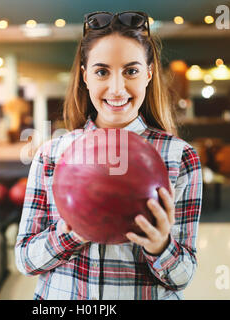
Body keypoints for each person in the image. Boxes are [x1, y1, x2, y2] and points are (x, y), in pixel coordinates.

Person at [15, 11, 203, 300]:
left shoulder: (180, 157)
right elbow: (26, 261)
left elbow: (183, 277)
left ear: (149, 74)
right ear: (85, 76)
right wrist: (74, 231)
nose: (117, 88)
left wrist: (160, 246)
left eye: (131, 71)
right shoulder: (52, 154)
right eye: (102, 71)